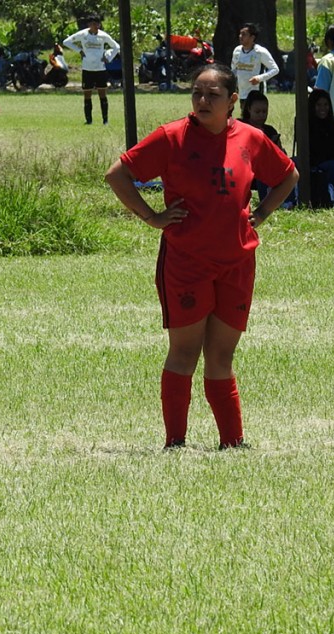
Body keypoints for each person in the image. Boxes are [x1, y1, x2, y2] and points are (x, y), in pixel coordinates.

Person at [104, 63, 297, 450]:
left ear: (233, 100)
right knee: (185, 352)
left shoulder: (251, 138)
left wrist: (261, 213)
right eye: (197, 93)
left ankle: (233, 442)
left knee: (222, 355)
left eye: (212, 95)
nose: (202, 101)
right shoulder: (172, 136)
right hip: (186, 262)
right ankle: (175, 441)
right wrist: (152, 217)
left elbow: (288, 175)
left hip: (237, 262)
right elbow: (117, 175)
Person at [62, 14, 120, 125]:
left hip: (100, 69)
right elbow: (66, 42)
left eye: (97, 24)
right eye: (93, 24)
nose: (96, 26)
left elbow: (116, 47)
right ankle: (89, 120)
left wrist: (108, 58)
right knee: (87, 94)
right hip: (87, 68)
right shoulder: (83, 34)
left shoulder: (103, 36)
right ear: (89, 25)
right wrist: (79, 50)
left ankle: (105, 120)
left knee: (102, 94)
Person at [306, 88, 334, 207]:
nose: (323, 108)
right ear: (312, 106)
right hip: (315, 163)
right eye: (318, 105)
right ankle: (333, 200)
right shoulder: (307, 125)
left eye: (326, 104)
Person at [230, 22, 279, 106]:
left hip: (256, 92)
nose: (240, 36)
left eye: (244, 34)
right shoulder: (237, 51)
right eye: (240, 34)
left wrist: (259, 78)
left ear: (252, 37)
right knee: (244, 113)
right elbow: (234, 70)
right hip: (242, 93)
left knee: (255, 113)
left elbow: (275, 69)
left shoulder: (260, 52)